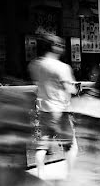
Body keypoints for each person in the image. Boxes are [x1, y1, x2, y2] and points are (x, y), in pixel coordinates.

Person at [29, 36, 76, 177]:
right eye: (60, 45)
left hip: (44, 110)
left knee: (42, 145)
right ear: (55, 47)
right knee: (70, 145)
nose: (62, 48)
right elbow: (69, 89)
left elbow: (37, 84)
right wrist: (75, 89)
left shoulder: (35, 65)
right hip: (61, 111)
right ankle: (71, 176)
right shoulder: (62, 67)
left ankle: (41, 175)